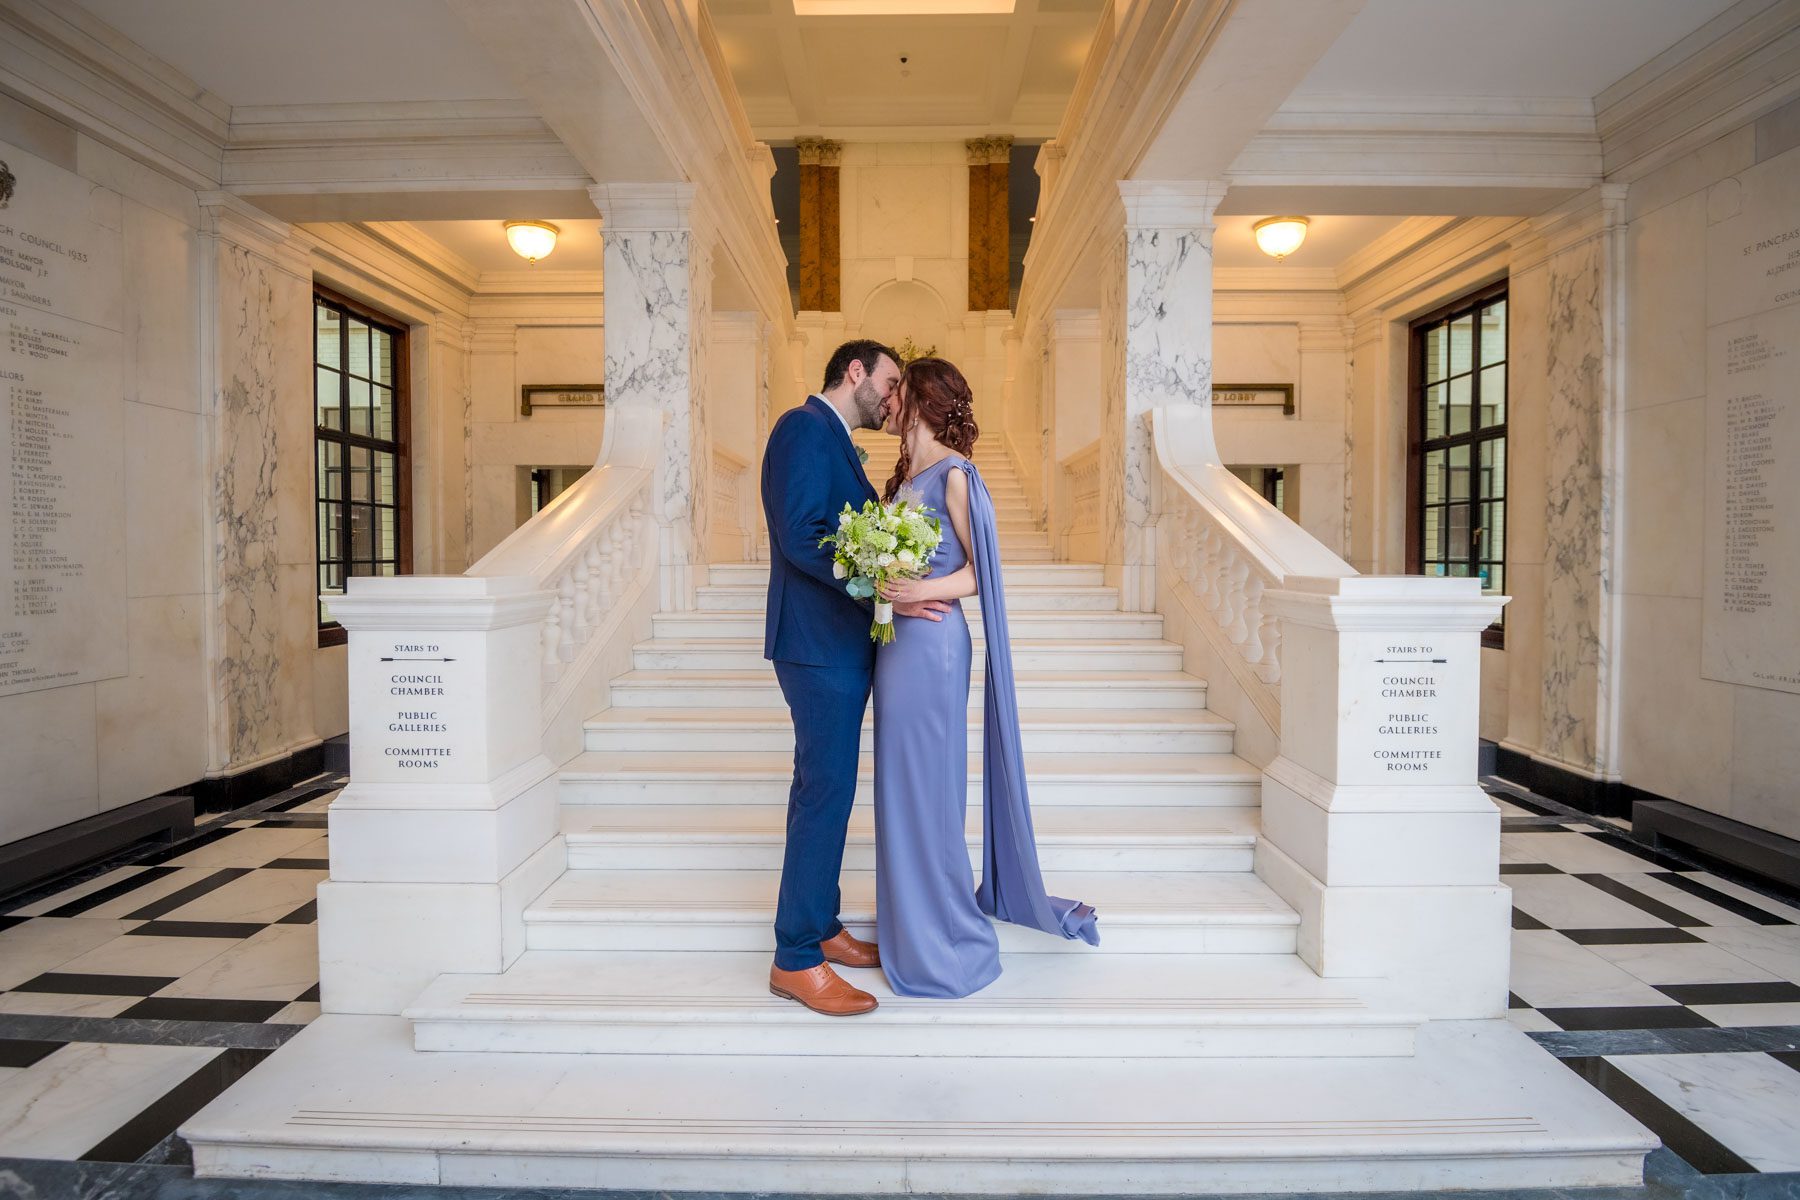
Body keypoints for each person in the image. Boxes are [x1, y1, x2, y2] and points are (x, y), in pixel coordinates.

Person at [872, 357, 1098, 998]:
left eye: (896, 392)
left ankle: (946, 942)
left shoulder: (956, 476)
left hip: (936, 646)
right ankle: (909, 926)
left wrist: (919, 586)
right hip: (897, 647)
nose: (887, 402)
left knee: (933, 790)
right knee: (900, 788)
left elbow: (983, 572)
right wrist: (885, 590)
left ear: (920, 400)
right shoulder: (903, 479)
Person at [759, 339, 951, 1017]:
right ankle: (795, 958)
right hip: (815, 647)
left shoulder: (833, 439)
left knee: (829, 791)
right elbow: (802, 532)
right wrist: (883, 583)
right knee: (824, 792)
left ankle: (823, 925)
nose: (892, 397)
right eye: (889, 381)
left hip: (836, 644)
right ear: (855, 372)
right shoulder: (804, 427)